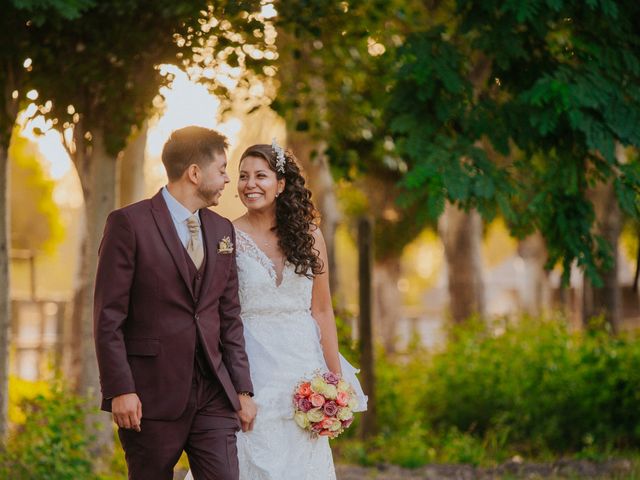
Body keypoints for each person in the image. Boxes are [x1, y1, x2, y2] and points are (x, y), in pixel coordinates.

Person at [186, 139, 366, 480]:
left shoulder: (310, 236)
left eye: (260, 175)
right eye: (242, 176)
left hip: (303, 366)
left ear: (281, 184)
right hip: (252, 366)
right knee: (251, 454)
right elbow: (217, 313)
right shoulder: (226, 236)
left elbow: (323, 311)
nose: (249, 184)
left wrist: (335, 380)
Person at [94, 126, 257, 480]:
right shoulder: (129, 224)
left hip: (213, 393)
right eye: (222, 169)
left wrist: (242, 389)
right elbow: (109, 317)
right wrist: (121, 389)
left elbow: (229, 317)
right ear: (195, 173)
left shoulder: (221, 231)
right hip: (151, 394)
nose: (228, 179)